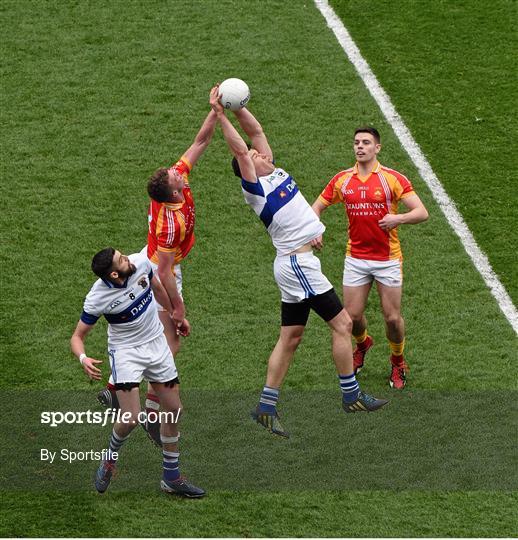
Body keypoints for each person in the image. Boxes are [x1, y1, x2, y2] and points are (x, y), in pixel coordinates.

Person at [209, 88, 388, 438]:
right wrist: (219, 114)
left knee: (290, 337)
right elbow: (242, 149)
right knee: (342, 324)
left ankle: (265, 407)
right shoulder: (255, 188)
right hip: (298, 267)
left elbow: (255, 134)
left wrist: (240, 107)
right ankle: (351, 396)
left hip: (296, 262)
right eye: (256, 156)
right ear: (250, 167)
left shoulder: (273, 171)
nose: (261, 152)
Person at [97, 95, 219, 445]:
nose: (176, 171)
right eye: (172, 175)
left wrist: (214, 111)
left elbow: (201, 141)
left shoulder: (174, 183)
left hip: (148, 258)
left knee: (164, 339)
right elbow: (163, 274)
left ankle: (116, 390)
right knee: (170, 340)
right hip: (157, 268)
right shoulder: (170, 224)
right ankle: (146, 407)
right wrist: (179, 307)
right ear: (171, 191)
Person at [71, 247, 205, 497]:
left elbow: (156, 288)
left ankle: (171, 477)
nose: (127, 259)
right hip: (126, 353)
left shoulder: (140, 263)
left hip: (156, 344)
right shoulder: (97, 298)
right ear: (113, 274)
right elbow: (77, 336)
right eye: (121, 260)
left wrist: (176, 316)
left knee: (174, 410)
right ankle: (109, 459)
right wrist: (83, 358)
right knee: (131, 418)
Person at [312, 127, 429, 389]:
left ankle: (398, 361)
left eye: (366, 142)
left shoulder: (392, 179)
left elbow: (422, 212)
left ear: (377, 148)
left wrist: (398, 218)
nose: (360, 147)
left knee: (392, 318)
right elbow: (317, 206)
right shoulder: (343, 180)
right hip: (356, 258)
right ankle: (363, 343)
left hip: (387, 259)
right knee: (351, 317)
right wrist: (314, 229)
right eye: (356, 143)